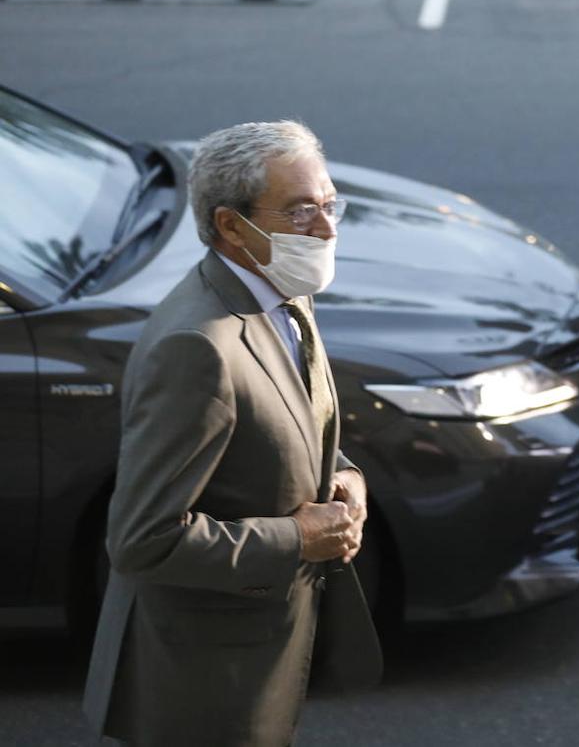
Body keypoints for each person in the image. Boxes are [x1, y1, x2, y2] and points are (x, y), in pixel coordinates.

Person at [83, 121, 380, 746]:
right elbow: (142, 541)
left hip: (262, 655)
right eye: (302, 212)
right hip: (203, 685)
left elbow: (290, 416)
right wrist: (298, 536)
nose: (327, 230)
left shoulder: (282, 289)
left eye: (330, 206)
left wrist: (344, 478)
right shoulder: (197, 348)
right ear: (230, 226)